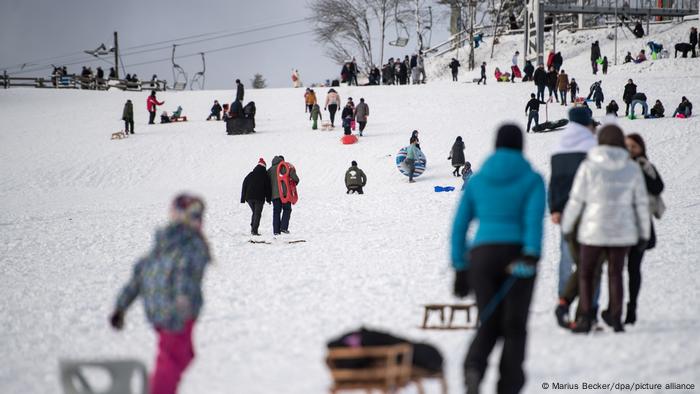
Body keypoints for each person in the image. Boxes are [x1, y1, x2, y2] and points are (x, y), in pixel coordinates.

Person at [451, 124, 545, 394]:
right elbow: (533, 221)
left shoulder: (478, 180)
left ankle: (473, 368)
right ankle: (509, 386)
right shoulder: (532, 179)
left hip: (482, 256)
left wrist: (460, 267)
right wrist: (531, 253)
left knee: (489, 318)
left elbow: (459, 226)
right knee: (514, 326)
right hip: (518, 255)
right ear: (521, 145)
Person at [109, 194, 210, 394]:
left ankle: (157, 386)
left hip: (164, 309)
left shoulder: (167, 241)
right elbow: (182, 270)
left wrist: (121, 307)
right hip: (177, 310)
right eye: (193, 215)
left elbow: (139, 275)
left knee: (182, 355)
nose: (198, 220)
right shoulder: (189, 244)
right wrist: (182, 299)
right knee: (171, 358)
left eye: (200, 216)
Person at [563, 125, 650, 333]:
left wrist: (567, 226)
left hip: (593, 230)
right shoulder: (632, 167)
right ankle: (616, 318)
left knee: (586, 273)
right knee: (616, 273)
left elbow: (576, 200)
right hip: (622, 231)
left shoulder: (589, 166)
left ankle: (584, 317)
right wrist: (644, 233)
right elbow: (641, 203)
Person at [548, 108, 597, 328]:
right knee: (592, 259)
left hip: (566, 211)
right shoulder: (592, 146)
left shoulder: (559, 145)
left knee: (567, 257)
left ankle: (562, 299)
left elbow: (555, 182)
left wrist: (555, 208)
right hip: (590, 210)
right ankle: (589, 309)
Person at [624, 134, 664, 325]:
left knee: (633, 268)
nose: (630, 149)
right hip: (620, 223)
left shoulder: (646, 166)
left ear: (641, 147)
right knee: (615, 269)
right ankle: (614, 308)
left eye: (634, 146)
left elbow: (658, 187)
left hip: (640, 225)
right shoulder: (618, 166)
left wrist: (639, 170)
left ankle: (631, 307)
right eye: (627, 146)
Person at [268, 156, 299, 235]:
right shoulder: (285, 166)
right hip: (285, 194)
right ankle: (283, 228)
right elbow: (295, 178)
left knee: (276, 212)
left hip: (274, 195)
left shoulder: (269, 170)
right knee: (287, 209)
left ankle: (276, 231)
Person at [241, 158, 272, 236]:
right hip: (259, 198)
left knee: (255, 212)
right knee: (257, 214)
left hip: (249, 198)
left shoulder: (250, 174)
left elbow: (244, 184)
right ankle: (254, 231)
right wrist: (268, 199)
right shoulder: (265, 175)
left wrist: (243, 198)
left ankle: (253, 226)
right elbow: (268, 188)